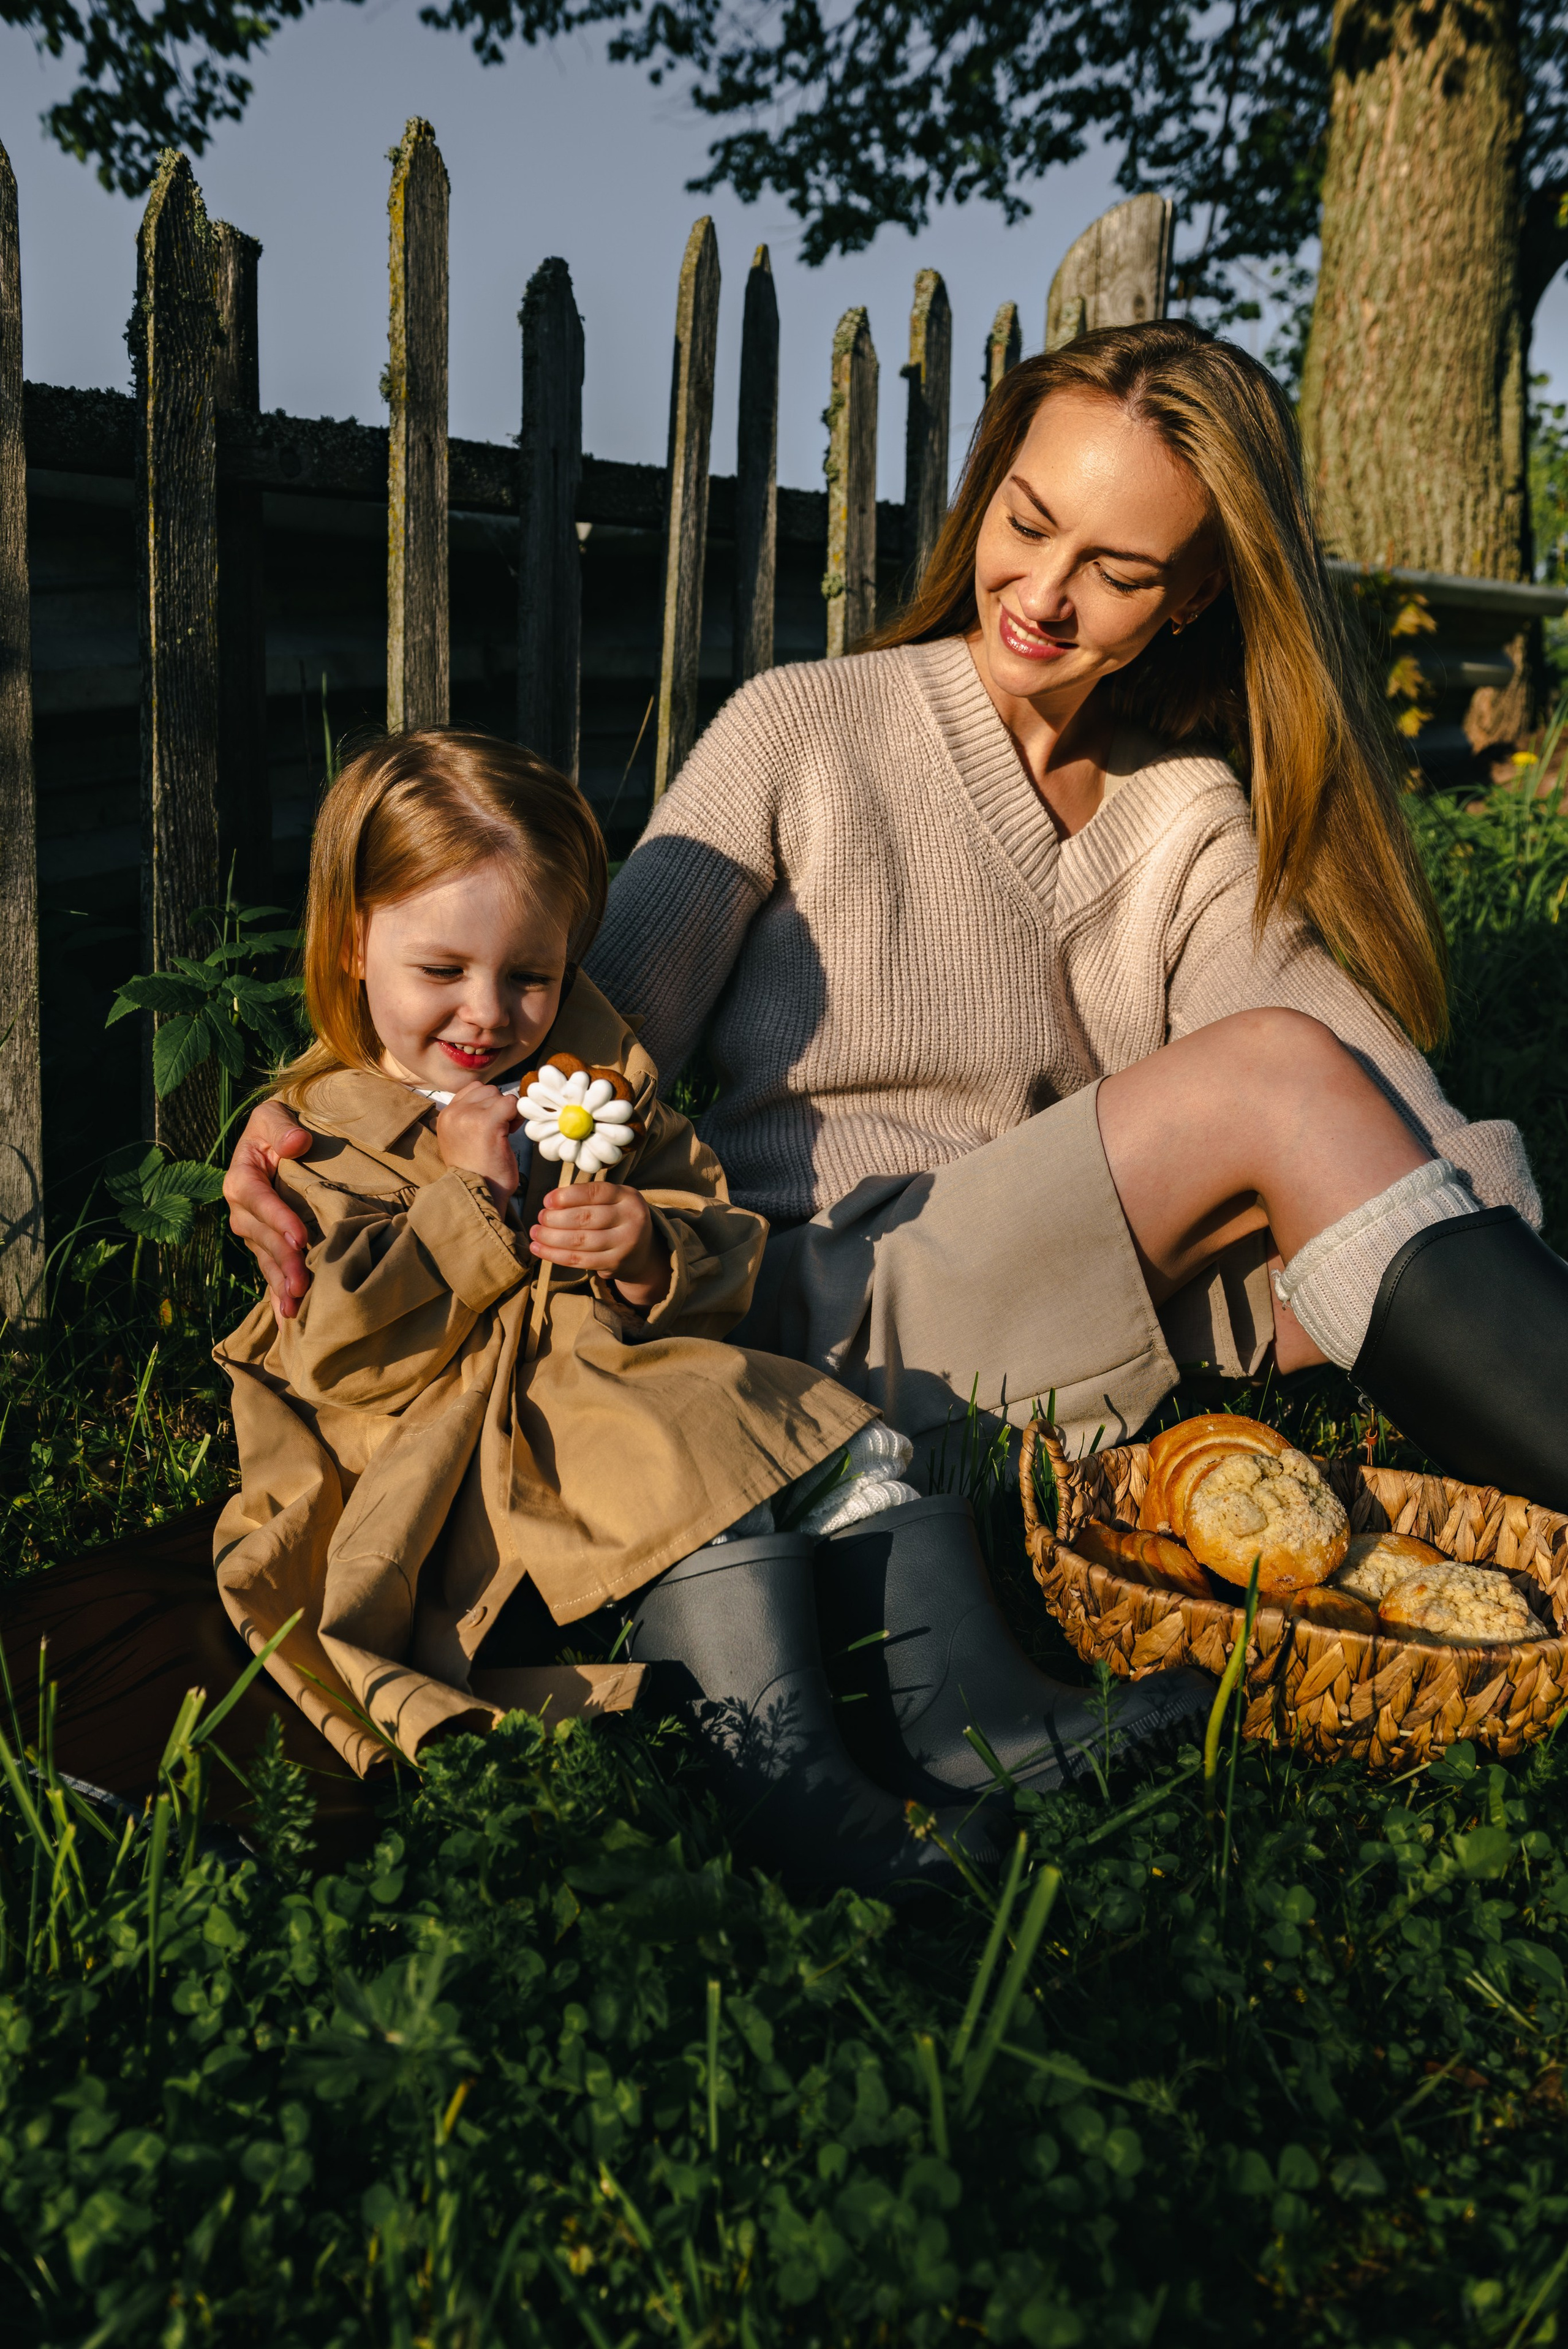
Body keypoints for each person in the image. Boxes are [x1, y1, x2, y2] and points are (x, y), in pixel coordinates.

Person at [228, 320, 1568, 1773]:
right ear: (983, 494)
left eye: (1117, 570)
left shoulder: (1183, 819)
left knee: (1318, 1172)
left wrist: (1470, 1225)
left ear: (1193, 597)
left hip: (1021, 1324)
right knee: (1274, 1085)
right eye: (1026, 522)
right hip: (798, 1313)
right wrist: (320, 1115)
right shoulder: (801, 730)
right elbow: (548, 1031)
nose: (1042, 595)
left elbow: (1383, 1115)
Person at [211, 731, 1207, 1896]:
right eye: (442, 970)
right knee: (684, 1466)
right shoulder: (323, 1140)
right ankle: (796, 1786)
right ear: (352, 945)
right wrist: (464, 1200)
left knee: (840, 1449)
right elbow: (340, 1352)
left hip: (622, 1391)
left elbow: (715, 1230)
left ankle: (967, 1716)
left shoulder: (588, 1085)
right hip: (475, 1461)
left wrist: (650, 1251)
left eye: (530, 975)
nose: (488, 1012)